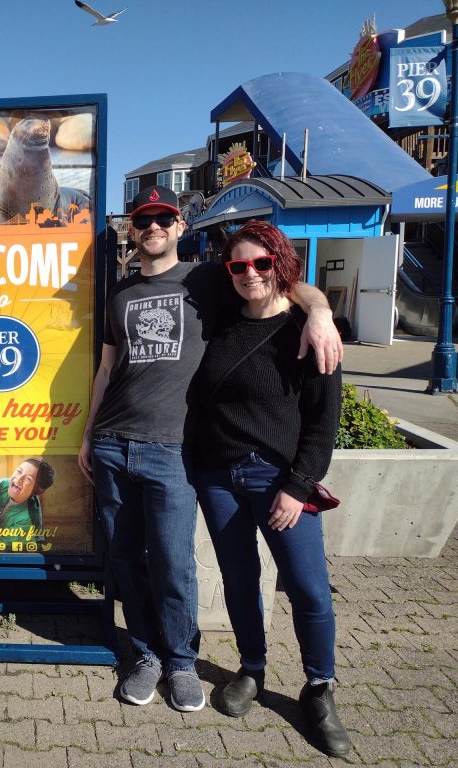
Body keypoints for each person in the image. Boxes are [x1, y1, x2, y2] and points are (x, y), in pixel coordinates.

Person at [77, 186, 342, 713]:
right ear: (133, 228)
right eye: (143, 219)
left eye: (164, 218)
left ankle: (180, 662)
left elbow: (278, 283)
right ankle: (146, 654)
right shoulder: (120, 293)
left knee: (175, 564)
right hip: (111, 444)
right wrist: (89, 433)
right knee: (127, 561)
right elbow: (106, 368)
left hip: (172, 450)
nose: (153, 226)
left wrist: (320, 312)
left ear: (180, 226)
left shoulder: (208, 278)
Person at [193, 221, 349, 756]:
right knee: (240, 579)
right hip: (218, 477)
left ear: (280, 262)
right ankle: (252, 669)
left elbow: (322, 424)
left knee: (307, 586)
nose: (250, 274)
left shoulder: (307, 330)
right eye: (239, 266)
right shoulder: (219, 319)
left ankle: (320, 687)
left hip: (280, 478)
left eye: (262, 263)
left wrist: (298, 486)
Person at [0, 458, 54, 545]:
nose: (18, 479)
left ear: (38, 491)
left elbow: (0, 546)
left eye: (28, 479)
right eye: (19, 471)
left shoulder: (28, 519)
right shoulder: (3, 485)